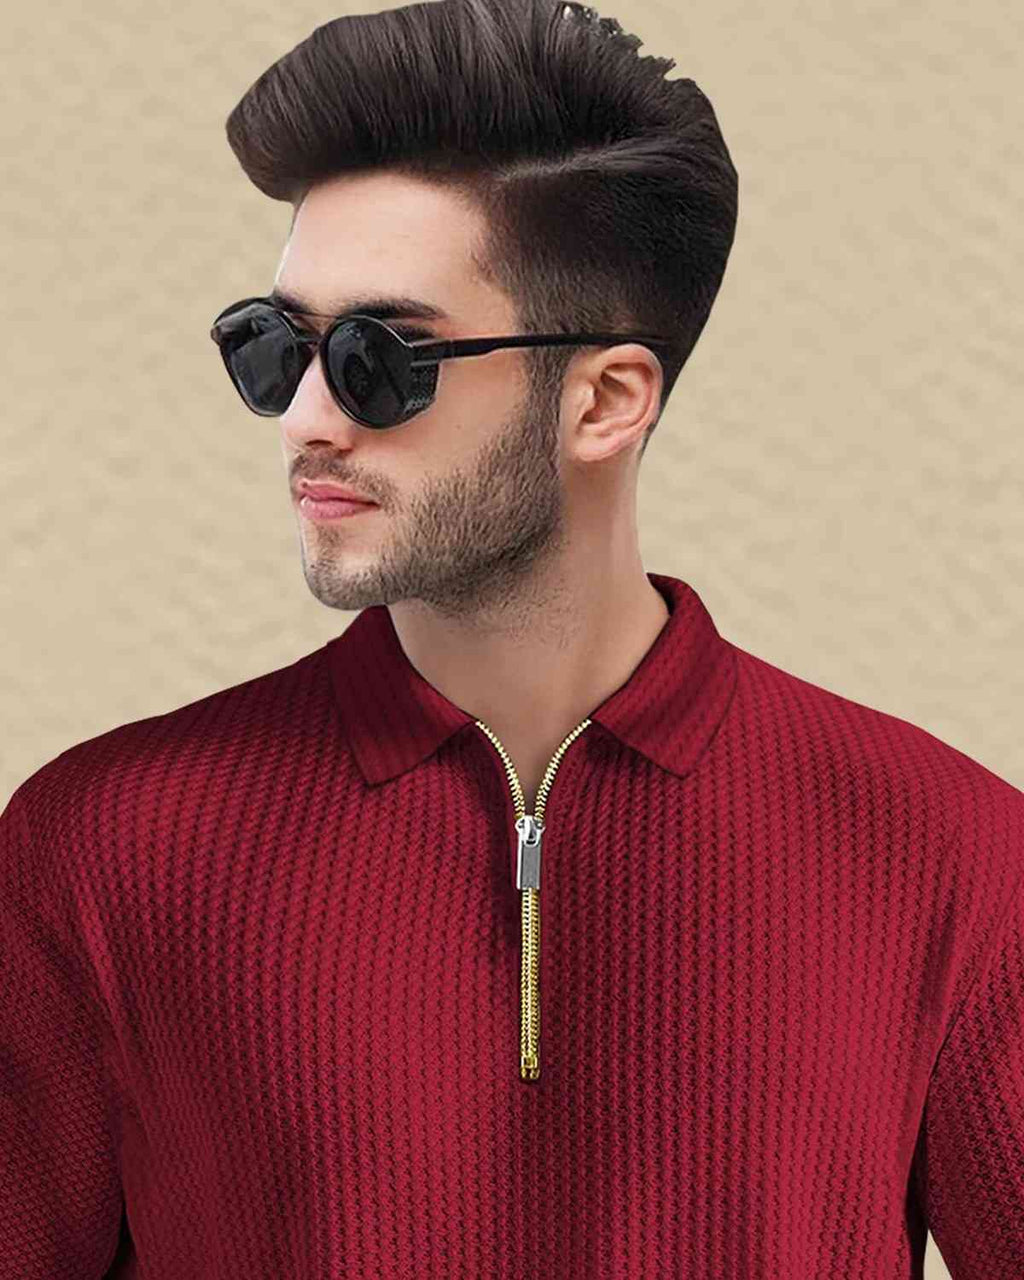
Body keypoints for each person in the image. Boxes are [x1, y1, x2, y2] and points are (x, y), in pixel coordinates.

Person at [2, 2, 1021, 1277]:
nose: (305, 417)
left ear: (605, 400)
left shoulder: (949, 852)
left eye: (383, 356)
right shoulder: (100, 845)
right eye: (275, 348)